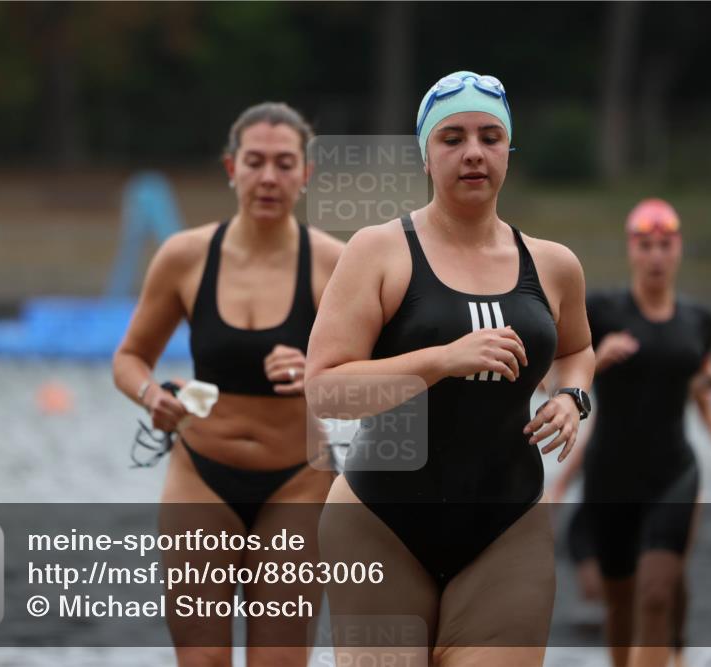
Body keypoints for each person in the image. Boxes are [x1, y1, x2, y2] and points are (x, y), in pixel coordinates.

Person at [305, 71, 595, 667]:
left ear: (508, 152)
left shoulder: (555, 265)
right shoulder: (378, 251)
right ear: (426, 154)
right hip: (379, 523)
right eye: (452, 137)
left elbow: (576, 351)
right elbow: (326, 390)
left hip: (507, 526)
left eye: (491, 137)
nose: (473, 153)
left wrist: (572, 398)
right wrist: (441, 360)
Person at [112, 102, 344, 667]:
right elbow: (130, 358)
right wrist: (153, 397)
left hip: (299, 484)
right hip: (201, 479)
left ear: (306, 174)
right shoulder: (185, 257)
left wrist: (317, 371)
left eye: (285, 164)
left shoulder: (335, 263)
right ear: (230, 168)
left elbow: (386, 379)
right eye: (256, 161)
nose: (269, 177)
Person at [565, 198, 711, 667]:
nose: (657, 257)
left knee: (657, 593)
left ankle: (675, 653)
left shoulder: (697, 320)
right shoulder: (601, 311)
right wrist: (596, 359)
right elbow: (556, 373)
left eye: (665, 246)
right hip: (611, 477)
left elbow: (692, 383)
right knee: (621, 604)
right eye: (646, 246)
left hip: (673, 472)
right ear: (632, 250)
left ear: (679, 249)